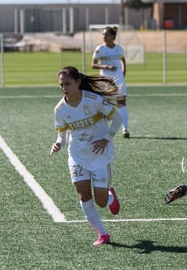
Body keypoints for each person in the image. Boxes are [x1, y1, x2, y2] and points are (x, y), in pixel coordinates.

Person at [50, 66, 123, 246]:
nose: (63, 88)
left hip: (100, 155)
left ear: (78, 82)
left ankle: (110, 197)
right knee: (83, 196)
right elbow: (62, 136)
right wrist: (59, 143)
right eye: (61, 85)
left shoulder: (93, 100)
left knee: (101, 202)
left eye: (67, 83)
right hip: (77, 156)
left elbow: (118, 118)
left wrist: (106, 139)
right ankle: (102, 234)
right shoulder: (60, 110)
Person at [91, 26, 129, 138]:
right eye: (103, 34)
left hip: (119, 80)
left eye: (106, 34)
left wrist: (123, 74)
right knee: (104, 105)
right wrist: (105, 66)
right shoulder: (99, 49)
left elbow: (123, 61)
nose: (104, 36)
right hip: (105, 82)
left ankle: (125, 129)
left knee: (121, 103)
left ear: (113, 36)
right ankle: (103, 130)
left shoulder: (119, 49)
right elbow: (93, 65)